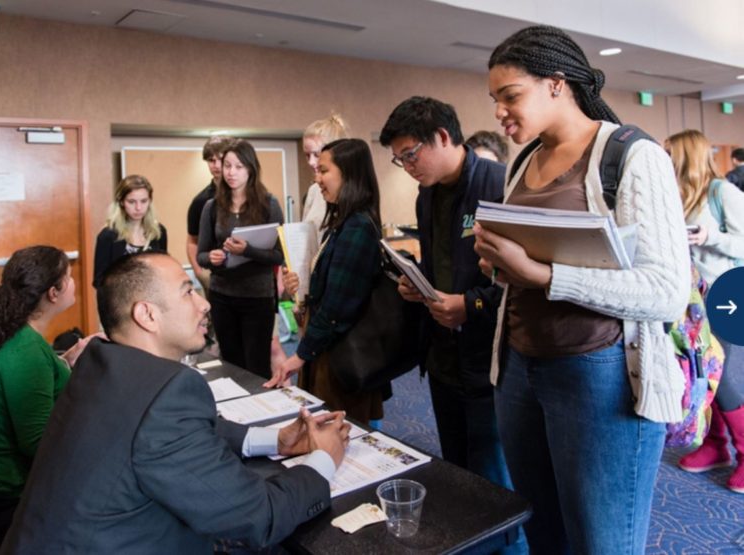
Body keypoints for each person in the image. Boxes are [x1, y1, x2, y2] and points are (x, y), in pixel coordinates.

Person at [474, 25, 690, 554]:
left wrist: (545, 277)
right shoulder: (521, 162)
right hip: (521, 368)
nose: (500, 112)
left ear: (556, 83)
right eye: (495, 100)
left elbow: (666, 290)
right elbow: (531, 257)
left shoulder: (633, 157)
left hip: (601, 375)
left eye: (510, 96)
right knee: (543, 533)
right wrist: (503, 267)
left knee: (602, 542)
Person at [0, 252, 349, 554]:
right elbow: (260, 516)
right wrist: (324, 457)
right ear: (147, 315)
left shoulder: (99, 362)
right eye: (188, 292)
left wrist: (276, 440)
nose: (205, 303)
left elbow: (160, 430)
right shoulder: (169, 392)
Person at [378, 97, 517, 501]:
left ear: (442, 137)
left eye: (410, 155)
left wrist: (469, 304)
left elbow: (520, 282)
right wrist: (417, 285)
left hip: (488, 359)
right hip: (443, 357)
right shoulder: (428, 195)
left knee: (493, 481)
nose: (407, 167)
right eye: (399, 160)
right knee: (455, 471)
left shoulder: (499, 185)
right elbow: (442, 264)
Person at [0, 246, 96, 548]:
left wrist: (65, 362)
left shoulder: (11, 332)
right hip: (12, 494)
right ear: (53, 294)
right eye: (68, 278)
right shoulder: (25, 352)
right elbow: (38, 444)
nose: (73, 283)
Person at [265, 138, 385, 424]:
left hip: (342, 357)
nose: (317, 179)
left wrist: (299, 356)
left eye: (324, 170)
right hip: (330, 351)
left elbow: (336, 308)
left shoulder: (357, 227)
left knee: (342, 434)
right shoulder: (344, 222)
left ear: (349, 173)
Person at [667, 130, 744, 493]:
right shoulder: (675, 196)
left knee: (728, 378)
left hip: (730, 292)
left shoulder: (721, 192)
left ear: (686, 155)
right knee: (703, 374)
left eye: (670, 152)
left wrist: (708, 237)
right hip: (693, 300)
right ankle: (716, 445)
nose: (664, 159)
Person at [197, 139, 284, 378]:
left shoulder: (269, 205)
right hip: (223, 296)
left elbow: (279, 255)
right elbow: (201, 255)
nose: (231, 172)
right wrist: (212, 257)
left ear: (250, 169)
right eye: (227, 166)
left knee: (256, 366)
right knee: (231, 365)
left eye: (238, 166)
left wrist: (247, 250)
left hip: (257, 298)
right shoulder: (211, 207)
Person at [93, 174, 167, 287]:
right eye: (131, 202)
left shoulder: (158, 232)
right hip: (120, 300)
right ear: (121, 202)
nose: (138, 208)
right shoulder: (108, 236)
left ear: (150, 201)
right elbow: (99, 281)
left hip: (152, 299)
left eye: (143, 201)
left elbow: (163, 271)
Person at [186, 136, 234, 297]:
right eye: (211, 160)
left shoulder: (249, 196)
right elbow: (192, 241)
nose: (216, 165)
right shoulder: (201, 201)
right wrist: (200, 273)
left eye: (220, 159)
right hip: (215, 275)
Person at [301, 114, 349, 236]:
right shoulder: (314, 191)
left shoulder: (352, 192)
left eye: (317, 155)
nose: (311, 162)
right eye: (307, 155)